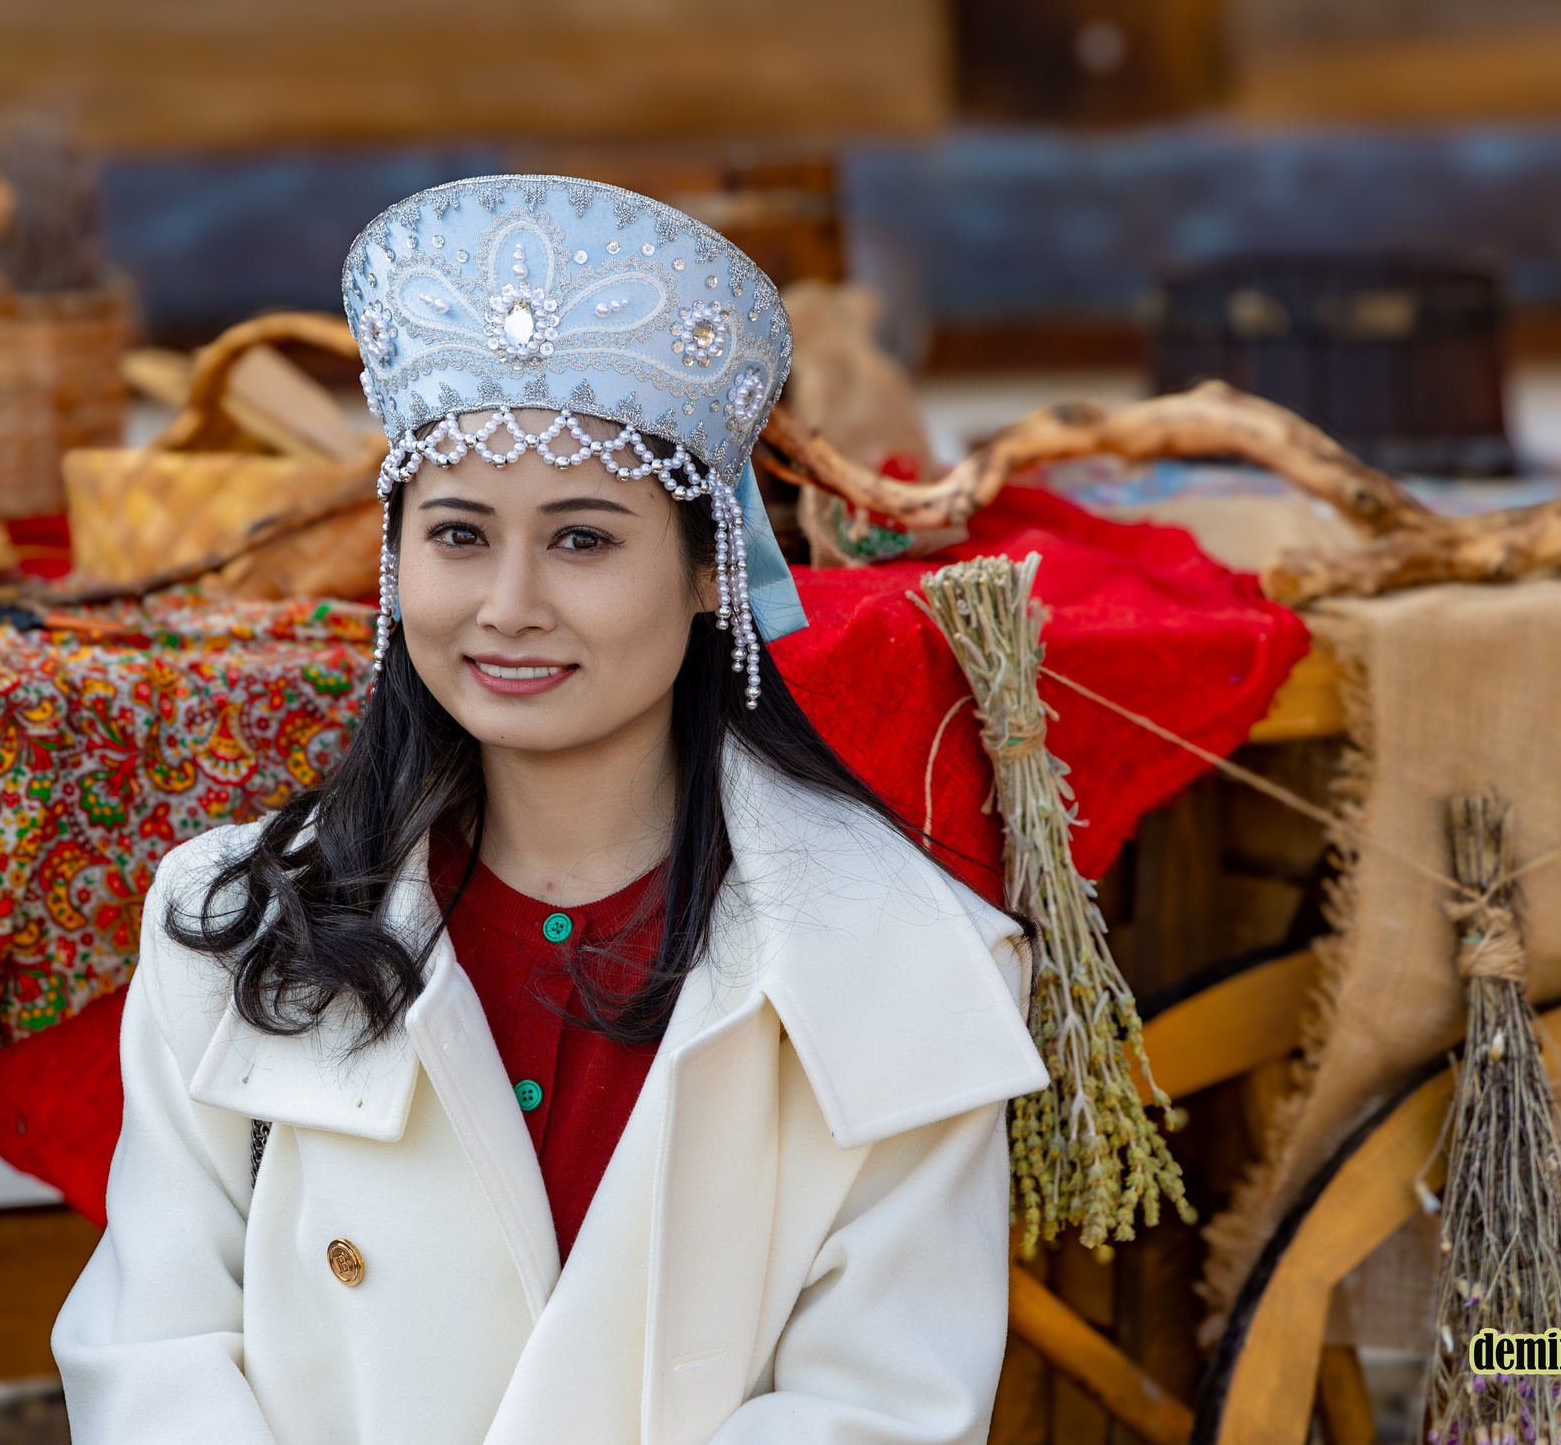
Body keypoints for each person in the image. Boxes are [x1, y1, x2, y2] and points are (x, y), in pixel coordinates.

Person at [54, 176, 1046, 1445]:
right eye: (459, 536)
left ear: (707, 573)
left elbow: (877, 1406)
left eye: (582, 541)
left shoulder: (893, 963)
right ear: (395, 558)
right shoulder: (237, 926)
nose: (508, 603)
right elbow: (153, 1358)